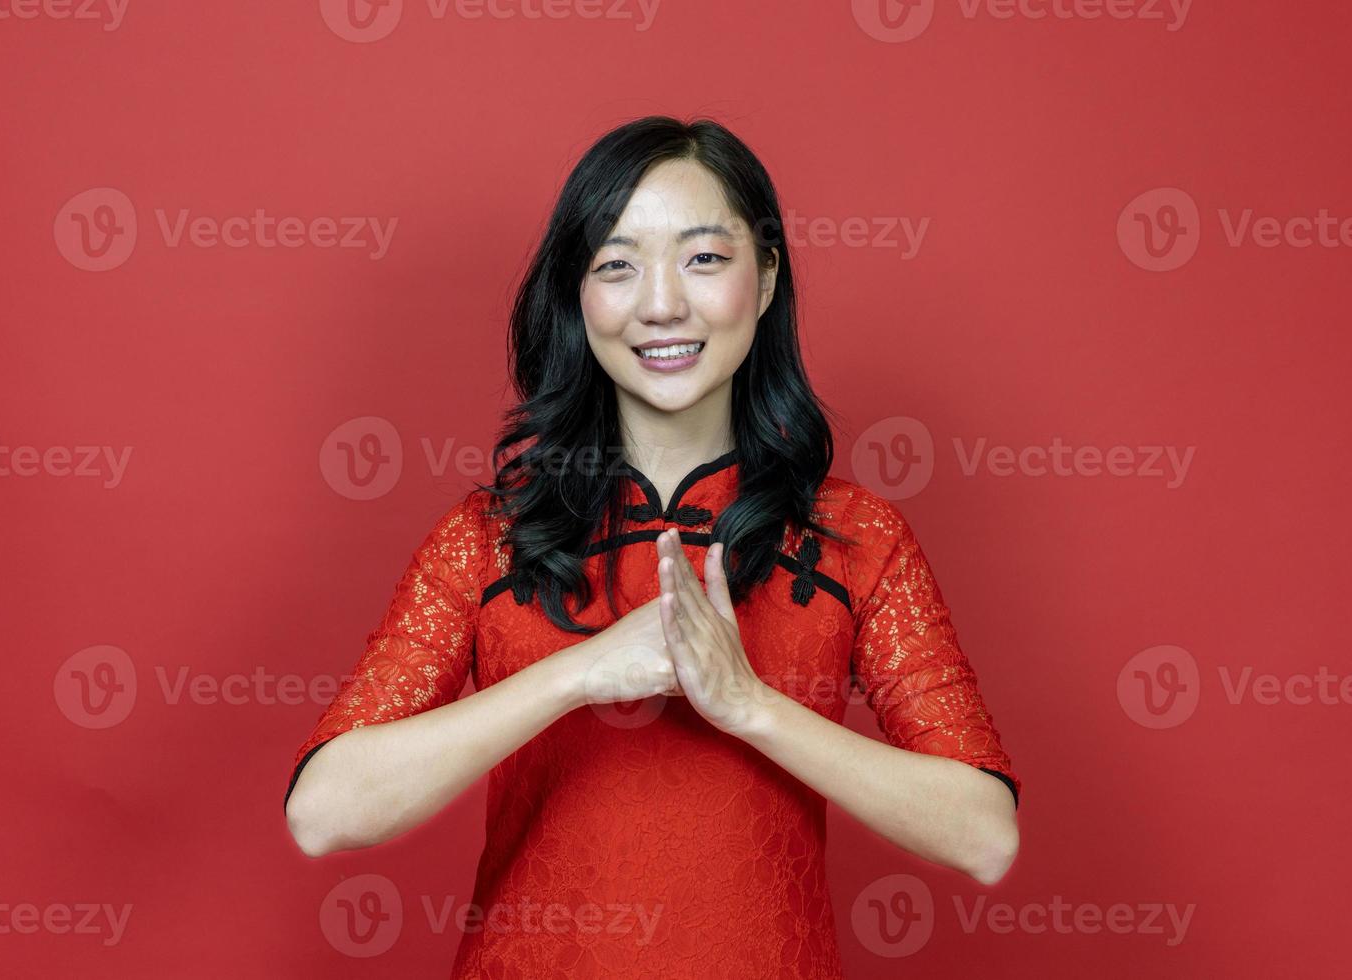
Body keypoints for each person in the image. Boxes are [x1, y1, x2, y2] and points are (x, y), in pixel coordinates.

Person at [283, 115, 1021, 978]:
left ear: (768, 275)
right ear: (578, 293)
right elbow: (323, 813)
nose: (662, 303)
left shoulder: (853, 539)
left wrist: (748, 706)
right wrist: (580, 673)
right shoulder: (489, 540)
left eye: (704, 258)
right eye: (617, 263)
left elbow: (985, 836)